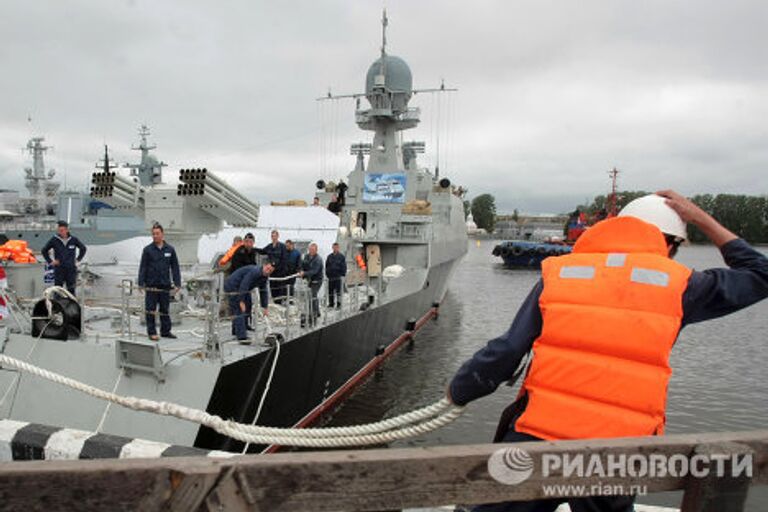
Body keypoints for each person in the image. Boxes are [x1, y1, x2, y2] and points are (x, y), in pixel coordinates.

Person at [448, 191, 768, 512]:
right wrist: (701, 217)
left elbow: (508, 350)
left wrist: (459, 391)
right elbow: (760, 274)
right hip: (616, 450)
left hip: (538, 435)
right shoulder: (683, 286)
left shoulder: (560, 273)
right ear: (671, 244)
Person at [138, 223, 181, 341]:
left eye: (157, 234)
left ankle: (165, 331)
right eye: (153, 234)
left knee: (164, 310)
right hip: (151, 286)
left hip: (165, 286)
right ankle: (152, 332)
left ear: (162, 234)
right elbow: (143, 267)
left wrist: (177, 283)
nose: (155, 236)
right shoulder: (147, 250)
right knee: (150, 310)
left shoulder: (170, 250)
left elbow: (175, 267)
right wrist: (141, 283)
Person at [224, 262, 273, 341]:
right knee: (239, 308)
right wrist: (241, 301)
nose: (268, 271)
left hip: (243, 289)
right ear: (264, 266)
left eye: (270, 271)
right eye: (267, 269)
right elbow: (245, 284)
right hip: (233, 285)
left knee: (248, 305)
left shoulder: (264, 277)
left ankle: (243, 327)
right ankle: (241, 336)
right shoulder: (255, 272)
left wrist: (265, 307)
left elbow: (263, 291)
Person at [41, 220, 87, 296]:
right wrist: (50, 261)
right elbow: (44, 250)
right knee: (58, 290)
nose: (60, 232)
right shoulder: (54, 240)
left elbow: (83, 248)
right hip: (59, 269)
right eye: (59, 230)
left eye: (62, 230)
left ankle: (71, 306)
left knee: (71, 289)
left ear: (67, 230)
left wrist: (78, 259)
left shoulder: (73, 240)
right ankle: (57, 306)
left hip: (71, 269)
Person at [258, 230, 287, 302]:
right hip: (271, 271)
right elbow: (262, 251)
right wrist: (252, 248)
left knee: (279, 288)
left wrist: (277, 267)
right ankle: (275, 302)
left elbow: (284, 259)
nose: (273, 237)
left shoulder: (282, 246)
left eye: (274, 236)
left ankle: (279, 303)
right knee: (272, 288)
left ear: (277, 236)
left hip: (280, 272)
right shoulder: (270, 246)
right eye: (272, 236)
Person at [299, 242, 323, 326]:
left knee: (312, 295)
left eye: (313, 250)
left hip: (317, 280)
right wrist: (301, 270)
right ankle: (317, 312)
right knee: (312, 296)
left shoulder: (318, 259)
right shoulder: (307, 256)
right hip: (310, 280)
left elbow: (315, 271)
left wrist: (304, 273)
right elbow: (303, 264)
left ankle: (314, 313)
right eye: (310, 249)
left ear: (316, 250)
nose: (311, 251)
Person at [325, 242, 347, 309]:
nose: (335, 249)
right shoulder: (329, 257)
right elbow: (327, 266)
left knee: (338, 292)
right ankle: (331, 304)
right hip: (331, 277)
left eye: (336, 247)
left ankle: (339, 304)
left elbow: (344, 266)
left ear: (338, 248)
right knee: (330, 291)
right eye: (334, 247)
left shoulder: (341, 257)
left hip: (338, 277)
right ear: (332, 248)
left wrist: (342, 274)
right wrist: (327, 274)